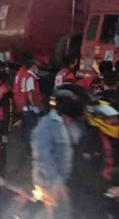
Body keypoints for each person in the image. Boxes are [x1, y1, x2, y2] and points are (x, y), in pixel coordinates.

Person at [31, 84, 89, 218]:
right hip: (49, 185)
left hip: (72, 184)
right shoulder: (47, 125)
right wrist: (57, 182)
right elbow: (43, 157)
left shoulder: (78, 123)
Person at [20, 60, 45, 150]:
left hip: (26, 107)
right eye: (37, 67)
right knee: (30, 128)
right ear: (33, 66)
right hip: (29, 108)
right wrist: (34, 106)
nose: (38, 69)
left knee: (27, 128)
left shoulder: (25, 76)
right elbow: (30, 94)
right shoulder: (30, 78)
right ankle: (29, 148)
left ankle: (27, 145)